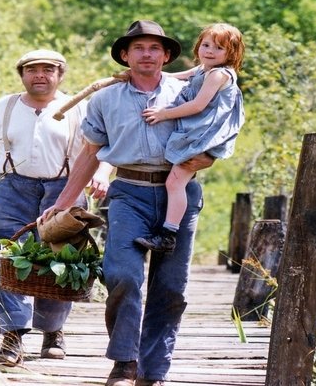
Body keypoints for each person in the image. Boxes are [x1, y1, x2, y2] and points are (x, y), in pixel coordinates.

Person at [43, 20, 215, 386]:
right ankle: (125, 361)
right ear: (125, 55)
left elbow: (217, 131)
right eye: (138, 48)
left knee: (171, 287)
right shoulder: (105, 98)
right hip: (129, 192)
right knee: (122, 274)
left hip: (178, 194)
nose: (147, 54)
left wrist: (210, 158)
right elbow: (89, 154)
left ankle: (154, 371)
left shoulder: (188, 94)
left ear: (167, 55)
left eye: (155, 48)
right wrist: (63, 203)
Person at [0, 49, 112, 367]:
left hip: (65, 187)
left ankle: (52, 331)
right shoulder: (5, 107)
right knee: (8, 258)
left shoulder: (79, 108)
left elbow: (100, 151)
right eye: (32, 69)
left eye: (48, 69)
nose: (39, 75)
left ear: (60, 75)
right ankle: (13, 336)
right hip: (11, 188)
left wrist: (102, 174)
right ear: (21, 74)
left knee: (61, 258)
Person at [135, 23, 245, 253]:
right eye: (206, 45)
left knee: (174, 182)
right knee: (176, 181)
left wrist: (163, 114)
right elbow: (172, 76)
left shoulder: (218, 75)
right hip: (195, 132)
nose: (210, 51)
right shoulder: (202, 70)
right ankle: (168, 231)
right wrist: (140, 74)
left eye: (218, 48)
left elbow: (197, 105)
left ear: (231, 53)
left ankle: (168, 235)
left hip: (203, 135)